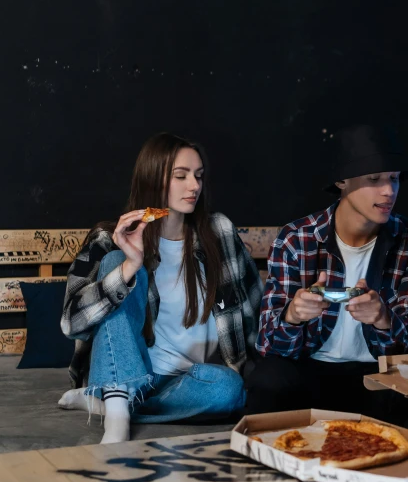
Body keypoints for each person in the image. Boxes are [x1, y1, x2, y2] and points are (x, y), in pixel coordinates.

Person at [57, 133, 263, 443]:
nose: (194, 185)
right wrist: (130, 265)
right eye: (180, 176)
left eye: (198, 176)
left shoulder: (218, 231)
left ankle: (109, 403)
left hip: (189, 381)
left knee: (228, 389)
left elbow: (254, 305)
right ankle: (117, 417)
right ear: (153, 178)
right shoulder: (108, 237)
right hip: (132, 371)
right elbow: (71, 323)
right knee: (116, 261)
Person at [245, 124, 408, 416]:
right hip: (308, 371)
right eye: (374, 179)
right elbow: (267, 344)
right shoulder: (297, 239)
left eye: (394, 179)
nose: (389, 191)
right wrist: (293, 316)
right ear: (342, 181)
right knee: (267, 381)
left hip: (379, 378)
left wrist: (383, 319)